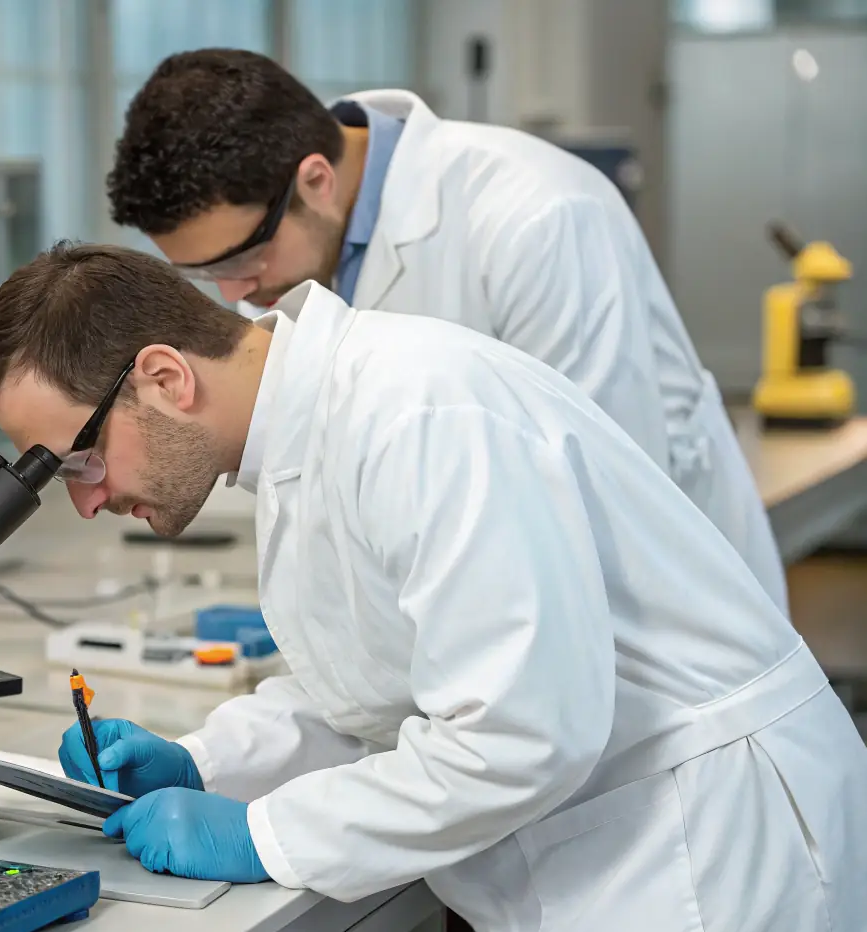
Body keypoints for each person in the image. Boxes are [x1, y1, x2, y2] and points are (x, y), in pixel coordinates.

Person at [0, 242, 867, 932]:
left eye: (80, 460)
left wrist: (264, 835)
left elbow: (516, 734)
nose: (85, 502)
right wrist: (206, 763)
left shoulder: (418, 413)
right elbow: (380, 682)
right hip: (611, 866)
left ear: (165, 378)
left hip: (709, 871)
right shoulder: (310, 433)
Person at [106, 48, 787, 613]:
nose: (233, 293)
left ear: (314, 180)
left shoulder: (536, 217)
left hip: (656, 626)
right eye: (204, 273)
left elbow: (596, 493)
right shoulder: (290, 242)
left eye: (240, 259)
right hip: (469, 621)